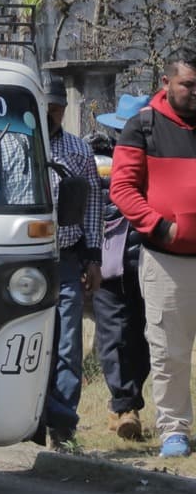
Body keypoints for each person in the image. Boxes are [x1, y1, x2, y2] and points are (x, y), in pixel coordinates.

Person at [107, 59, 196, 459]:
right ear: (166, 81)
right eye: (188, 85)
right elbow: (123, 189)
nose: (195, 93)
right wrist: (161, 228)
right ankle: (174, 430)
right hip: (167, 259)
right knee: (169, 350)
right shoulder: (142, 126)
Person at [42, 77, 105, 451]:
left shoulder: (78, 150)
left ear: (64, 109)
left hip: (66, 259)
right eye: (47, 106)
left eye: (57, 107)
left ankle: (63, 425)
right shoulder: (13, 144)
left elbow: (93, 204)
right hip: (23, 260)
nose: (52, 114)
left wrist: (93, 256)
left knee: (67, 341)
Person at [92, 96, 152, 439]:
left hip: (150, 262)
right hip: (108, 264)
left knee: (145, 338)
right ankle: (124, 406)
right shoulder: (98, 162)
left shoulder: (159, 160)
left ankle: (128, 401)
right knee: (113, 336)